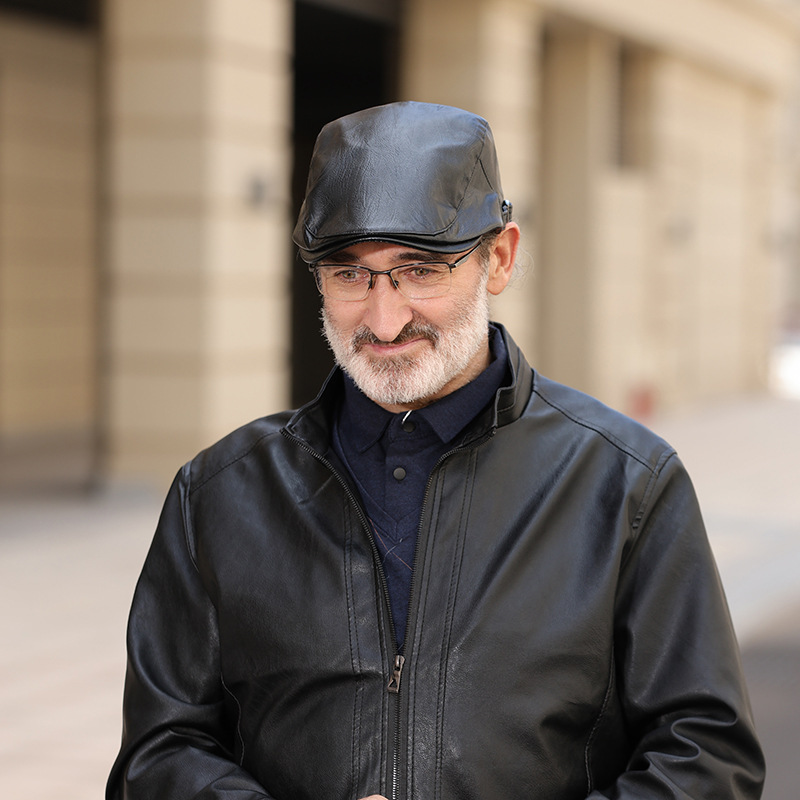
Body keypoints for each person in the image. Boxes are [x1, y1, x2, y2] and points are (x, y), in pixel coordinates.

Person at [107, 101, 764, 800]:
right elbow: (159, 753)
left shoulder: (627, 486)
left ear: (500, 257)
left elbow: (707, 760)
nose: (384, 320)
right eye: (349, 274)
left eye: (420, 269)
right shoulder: (218, 494)